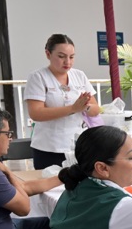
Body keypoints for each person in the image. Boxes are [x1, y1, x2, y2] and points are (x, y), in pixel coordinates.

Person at [25, 33, 100, 170]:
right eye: (61, 56)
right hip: (49, 148)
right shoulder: (38, 77)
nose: (67, 62)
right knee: (50, 182)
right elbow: (36, 113)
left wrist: (85, 106)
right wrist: (73, 109)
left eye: (71, 57)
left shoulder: (79, 75)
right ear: (48, 54)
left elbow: (96, 110)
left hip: (78, 146)